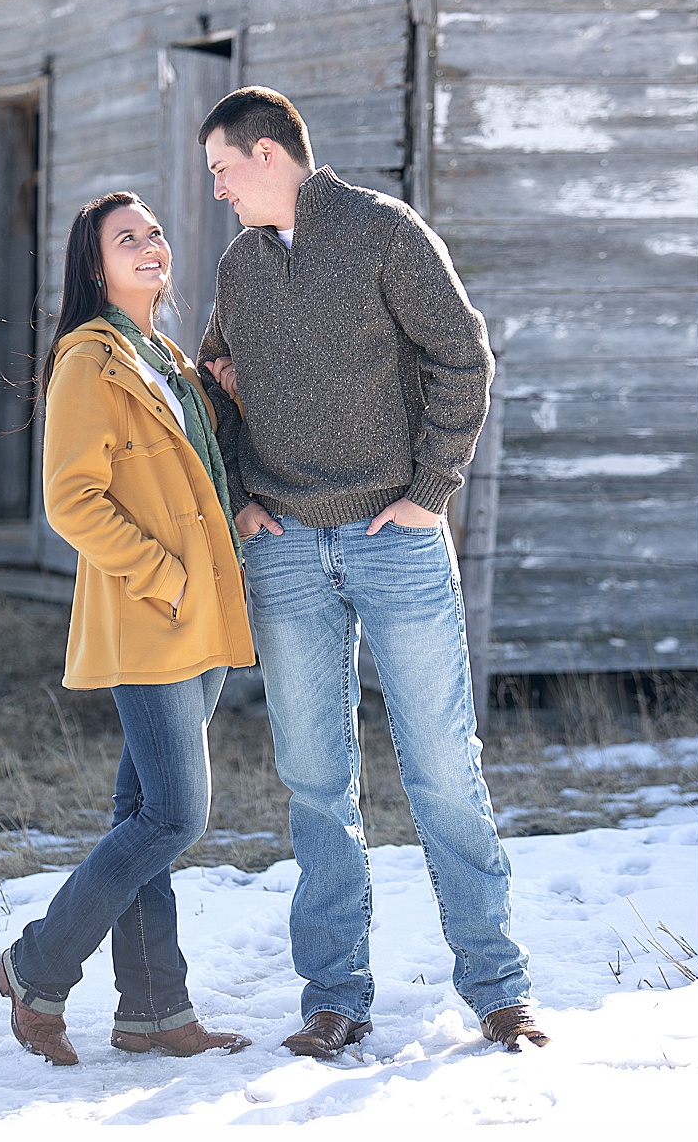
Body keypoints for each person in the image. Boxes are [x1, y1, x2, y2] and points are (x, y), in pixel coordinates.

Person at [195, 86, 548, 1057]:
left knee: (442, 767)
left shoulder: (384, 231)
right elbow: (212, 381)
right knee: (315, 780)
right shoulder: (238, 266)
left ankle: (498, 985)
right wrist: (240, 493)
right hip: (286, 546)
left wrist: (432, 487)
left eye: (224, 167)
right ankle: (334, 996)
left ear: (269, 153)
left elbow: (461, 356)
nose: (218, 188)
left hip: (394, 532)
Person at [0, 193, 254, 1068]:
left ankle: (153, 1011)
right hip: (153, 618)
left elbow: (196, 477)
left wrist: (218, 400)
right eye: (125, 238)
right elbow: (72, 501)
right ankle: (36, 966)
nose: (148, 245)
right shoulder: (88, 363)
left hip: (204, 619)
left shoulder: (166, 360)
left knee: (142, 813)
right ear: (94, 266)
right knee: (176, 816)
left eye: (152, 232)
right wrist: (167, 578)